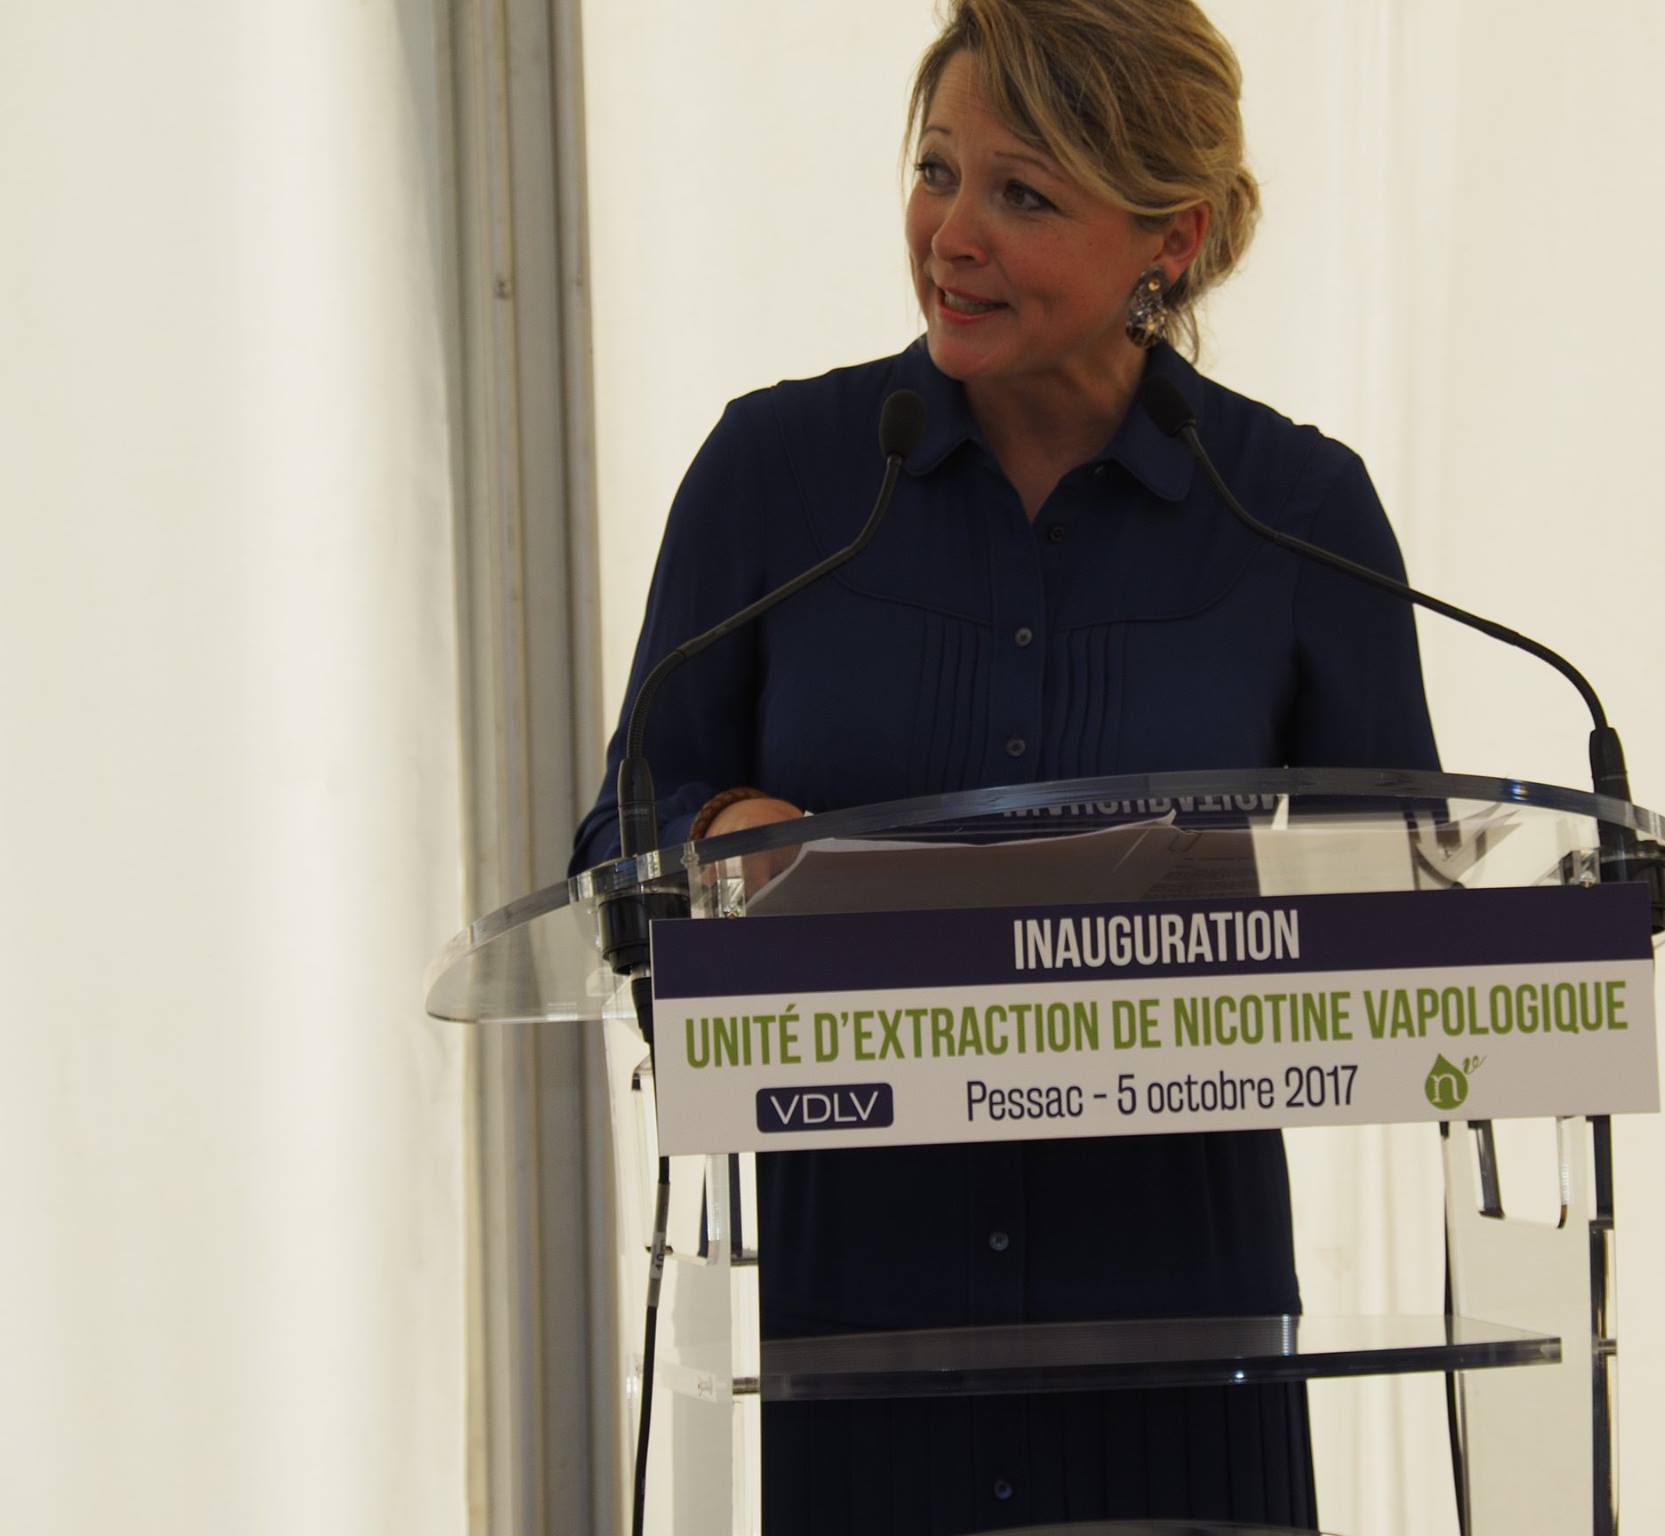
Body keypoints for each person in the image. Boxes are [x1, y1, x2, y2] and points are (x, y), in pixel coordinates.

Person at [572, 1, 1437, 1527]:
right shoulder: (779, 479)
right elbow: (617, 841)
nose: (951, 235)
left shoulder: (1295, 515)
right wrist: (721, 828)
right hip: (862, 1338)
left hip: (1185, 1345)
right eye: (935, 170)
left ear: (1168, 239)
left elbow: (1416, 910)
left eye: (1023, 194)